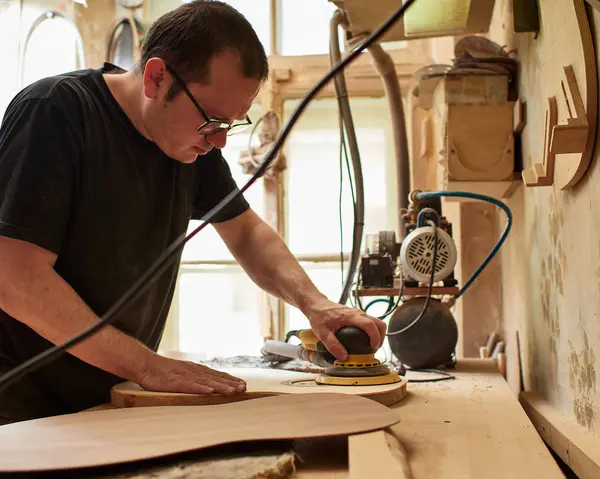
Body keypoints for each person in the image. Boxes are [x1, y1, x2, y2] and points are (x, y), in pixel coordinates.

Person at [0, 0, 386, 425]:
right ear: (156, 77)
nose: (219, 142)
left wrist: (316, 305)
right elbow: (16, 280)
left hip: (104, 398)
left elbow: (245, 233)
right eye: (212, 122)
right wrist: (146, 365)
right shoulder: (56, 112)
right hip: (17, 409)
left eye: (231, 125)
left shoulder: (185, 142)